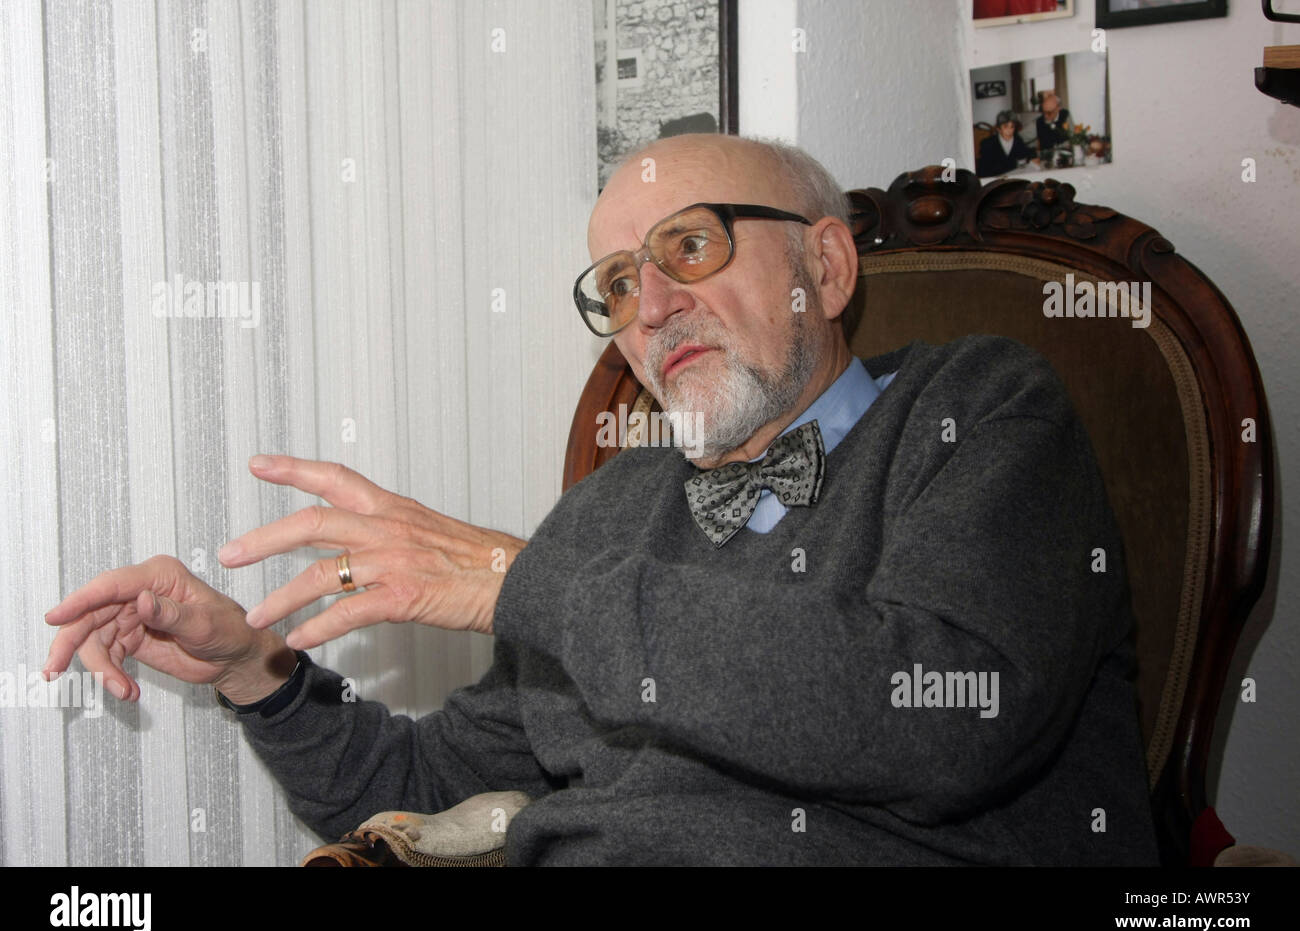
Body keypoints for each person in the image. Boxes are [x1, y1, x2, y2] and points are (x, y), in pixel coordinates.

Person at [43, 133, 1158, 866]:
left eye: (687, 245)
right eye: (621, 280)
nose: (654, 305)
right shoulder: (612, 513)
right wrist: (253, 669)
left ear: (822, 265)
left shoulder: (981, 410)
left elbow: (945, 719)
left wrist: (516, 578)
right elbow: (422, 786)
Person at [977, 110, 1035, 177]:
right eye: (1005, 127)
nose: (1009, 131)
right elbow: (983, 171)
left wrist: (1031, 158)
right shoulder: (987, 144)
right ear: (998, 129)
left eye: (1012, 127)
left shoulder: (1018, 140)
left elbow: (1024, 156)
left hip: (1014, 177)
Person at [1035, 91, 1072, 160]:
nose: (1045, 116)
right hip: (1047, 160)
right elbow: (1023, 136)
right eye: (1044, 112)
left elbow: (1073, 138)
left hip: (1065, 158)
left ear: (1058, 108)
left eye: (1049, 113)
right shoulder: (1039, 122)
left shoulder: (1066, 115)